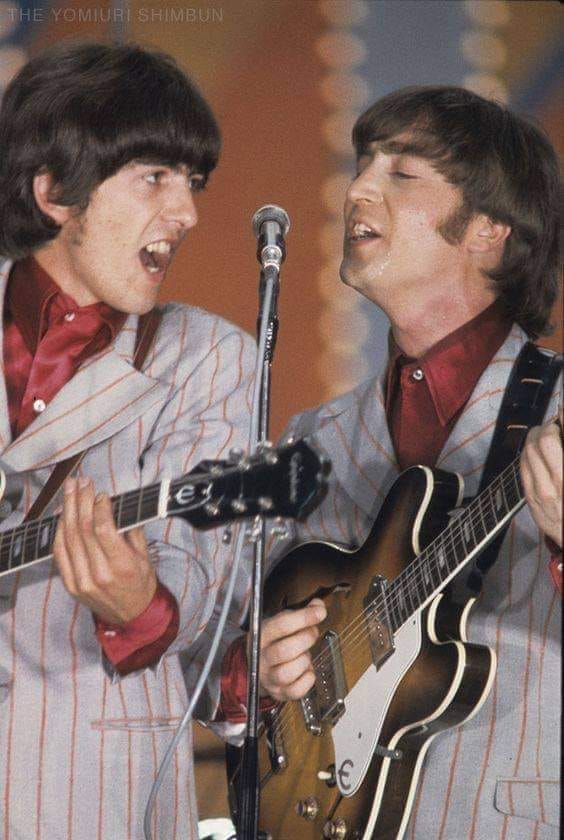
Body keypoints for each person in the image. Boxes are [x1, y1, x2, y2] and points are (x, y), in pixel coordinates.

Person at [0, 41, 323, 840]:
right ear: (54, 192)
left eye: (193, 183)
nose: (187, 214)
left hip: (86, 799)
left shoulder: (209, 359)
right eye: (155, 177)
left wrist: (140, 606)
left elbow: (200, 591)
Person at [267, 87, 561, 839]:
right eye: (364, 164)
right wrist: (262, 671)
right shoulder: (311, 439)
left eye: (402, 173)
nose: (358, 188)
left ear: (490, 231)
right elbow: (235, 672)